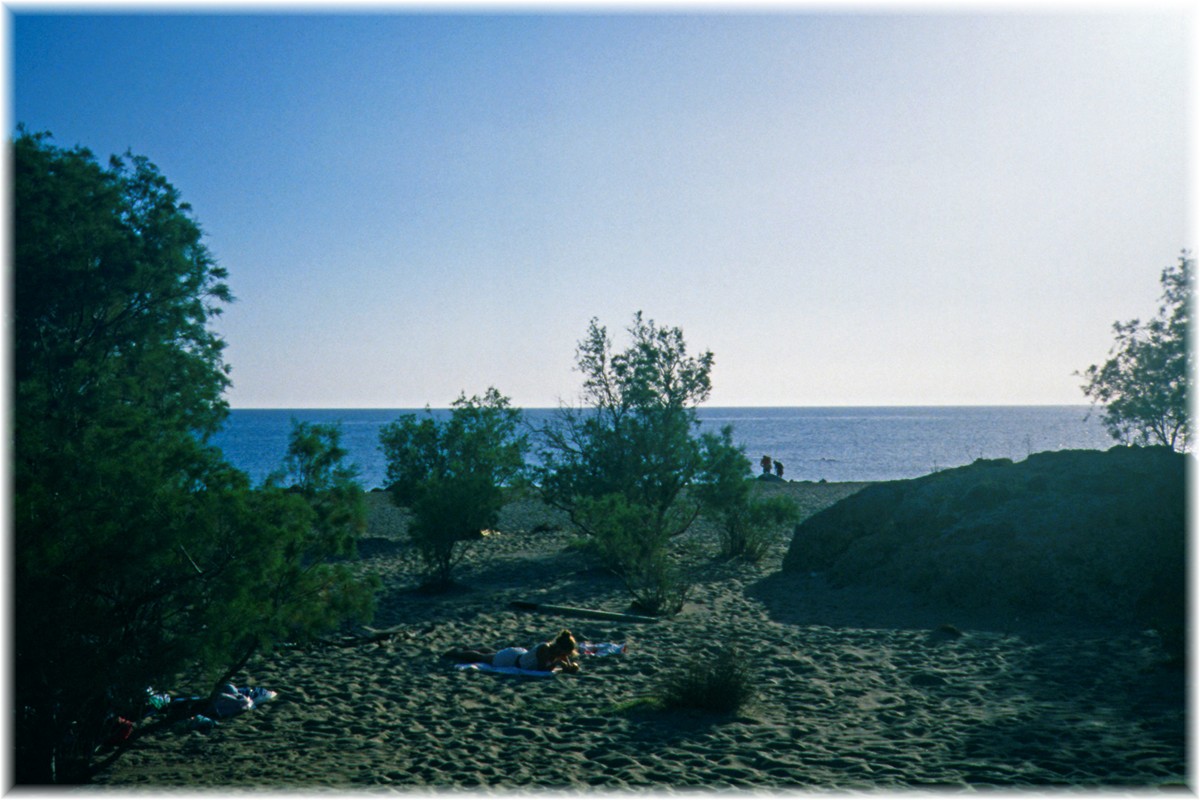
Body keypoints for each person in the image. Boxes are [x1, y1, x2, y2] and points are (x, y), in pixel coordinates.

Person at [443, 629, 581, 673]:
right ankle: (457, 652)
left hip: (519, 655)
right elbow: (541, 669)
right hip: (512, 660)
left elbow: (567, 665)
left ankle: (468, 648)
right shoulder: (545, 649)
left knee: (491, 653)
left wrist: (569, 667)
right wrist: (557, 663)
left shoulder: (557, 653)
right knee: (482, 657)